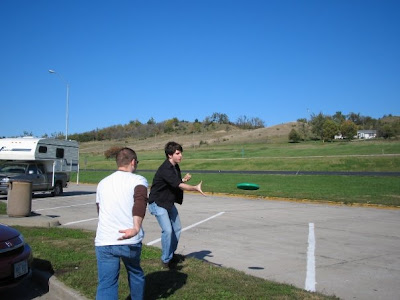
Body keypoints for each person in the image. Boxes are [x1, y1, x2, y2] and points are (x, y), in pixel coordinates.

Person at [95, 147, 148, 300]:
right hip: (129, 239)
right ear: (132, 162)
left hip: (104, 240)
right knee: (135, 273)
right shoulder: (138, 180)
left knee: (107, 283)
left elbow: (100, 210)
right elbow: (140, 201)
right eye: (136, 162)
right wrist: (136, 227)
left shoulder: (102, 183)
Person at [148, 141, 206, 269]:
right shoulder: (165, 169)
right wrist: (195, 187)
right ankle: (165, 260)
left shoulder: (175, 166)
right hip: (157, 203)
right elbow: (178, 185)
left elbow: (175, 182)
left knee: (177, 228)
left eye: (181, 153)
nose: (181, 156)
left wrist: (183, 179)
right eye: (177, 153)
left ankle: (170, 254)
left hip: (167, 202)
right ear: (170, 155)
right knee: (168, 230)